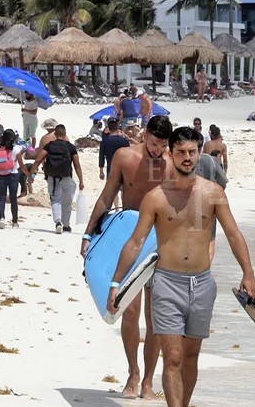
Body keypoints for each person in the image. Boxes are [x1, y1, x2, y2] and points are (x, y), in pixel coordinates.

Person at [107, 127, 255, 407]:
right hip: (166, 283)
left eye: (192, 152)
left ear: (199, 153)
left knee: (190, 356)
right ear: (171, 154)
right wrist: (116, 282)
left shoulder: (213, 193)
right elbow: (136, 241)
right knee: (173, 357)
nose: (187, 157)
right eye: (180, 152)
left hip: (202, 284)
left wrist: (248, 273)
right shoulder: (156, 197)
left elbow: (234, 234)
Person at [80, 115, 173, 400]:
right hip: (129, 239)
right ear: (145, 135)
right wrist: (88, 234)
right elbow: (107, 196)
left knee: (155, 316)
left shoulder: (171, 164)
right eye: (154, 143)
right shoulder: (124, 157)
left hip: (160, 241)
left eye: (163, 145)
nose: (158, 150)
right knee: (129, 311)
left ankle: (148, 381)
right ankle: (133, 371)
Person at [28, 124, 84, 234]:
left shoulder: (49, 145)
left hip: (53, 177)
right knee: (67, 201)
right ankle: (66, 225)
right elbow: (77, 165)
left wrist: (31, 175)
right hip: (67, 177)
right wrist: (81, 180)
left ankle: (58, 222)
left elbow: (38, 160)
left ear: (56, 134)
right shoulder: (71, 147)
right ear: (65, 134)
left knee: (55, 200)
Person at [0, 129, 28, 228]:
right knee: (13, 199)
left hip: (0, 175)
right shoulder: (16, 149)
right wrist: (29, 175)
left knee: (2, 197)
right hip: (13, 175)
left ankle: (2, 219)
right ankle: (15, 222)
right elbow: (22, 166)